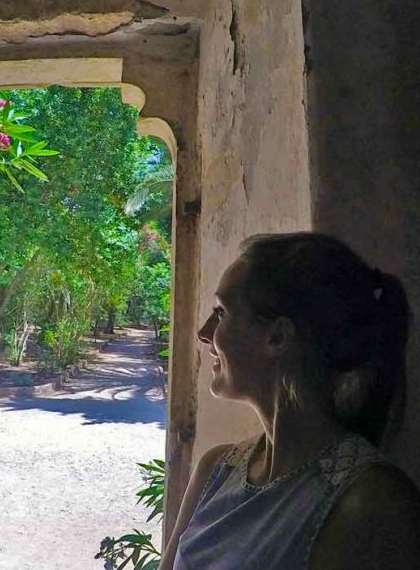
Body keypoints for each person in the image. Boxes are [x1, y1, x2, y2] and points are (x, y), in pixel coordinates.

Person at [161, 232, 420, 570]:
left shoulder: (371, 503)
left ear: (278, 336)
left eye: (221, 312)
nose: (205, 332)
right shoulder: (216, 469)